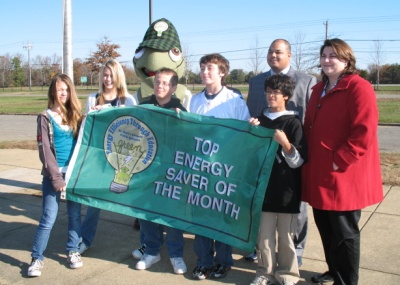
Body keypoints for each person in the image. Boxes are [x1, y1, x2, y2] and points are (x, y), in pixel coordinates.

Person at [302, 38, 383, 285]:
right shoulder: (319, 88)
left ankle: (347, 280)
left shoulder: (359, 87)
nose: (327, 60)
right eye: (324, 55)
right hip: (320, 172)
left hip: (343, 174)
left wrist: (340, 160)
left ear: (346, 60)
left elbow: (364, 131)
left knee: (345, 232)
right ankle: (334, 270)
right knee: (326, 228)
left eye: (333, 56)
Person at [246, 39, 317, 266]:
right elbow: (253, 112)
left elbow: (310, 119)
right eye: (270, 51)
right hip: (265, 161)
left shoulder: (307, 81)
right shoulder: (257, 81)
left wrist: (291, 146)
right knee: (264, 214)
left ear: (289, 54)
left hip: (293, 156)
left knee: (296, 211)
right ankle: (262, 255)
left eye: (278, 52)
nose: (273, 55)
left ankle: (295, 253)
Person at [190, 53, 250, 280]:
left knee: (224, 217)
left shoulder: (234, 100)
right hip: (201, 170)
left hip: (225, 170)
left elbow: (244, 135)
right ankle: (204, 261)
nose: (205, 72)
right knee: (202, 217)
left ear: (222, 72)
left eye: (210, 68)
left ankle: (223, 261)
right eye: (203, 68)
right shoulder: (194, 100)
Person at [248, 74, 307, 285]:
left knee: (286, 237)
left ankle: (288, 274)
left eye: (276, 92)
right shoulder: (259, 120)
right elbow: (249, 155)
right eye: (268, 92)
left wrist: (286, 144)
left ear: (286, 96)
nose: (271, 96)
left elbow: (298, 162)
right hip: (263, 189)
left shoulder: (293, 123)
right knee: (263, 236)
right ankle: (264, 272)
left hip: (285, 190)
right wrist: (250, 133)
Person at [78, 59, 138, 255]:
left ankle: (149, 245)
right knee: (92, 204)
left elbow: (134, 130)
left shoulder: (128, 100)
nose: (108, 79)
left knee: (136, 200)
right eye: (105, 74)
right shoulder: (92, 98)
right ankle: (84, 240)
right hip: (99, 159)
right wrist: (90, 115)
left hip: (122, 161)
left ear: (118, 76)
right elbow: (87, 130)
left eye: (112, 75)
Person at [27, 74, 84, 277]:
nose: (64, 93)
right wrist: (56, 178)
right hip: (54, 176)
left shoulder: (76, 114)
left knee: (75, 216)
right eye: (60, 89)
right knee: (48, 217)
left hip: (73, 175)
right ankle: (36, 258)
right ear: (53, 91)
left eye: (67, 90)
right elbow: (45, 152)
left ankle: (73, 251)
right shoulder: (45, 117)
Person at [133, 68, 187, 274]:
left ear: (173, 87)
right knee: (147, 212)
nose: (159, 86)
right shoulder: (144, 105)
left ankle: (176, 254)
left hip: (171, 171)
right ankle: (152, 250)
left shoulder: (180, 110)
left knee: (171, 213)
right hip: (146, 168)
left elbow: (186, 141)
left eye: (165, 83)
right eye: (157, 82)